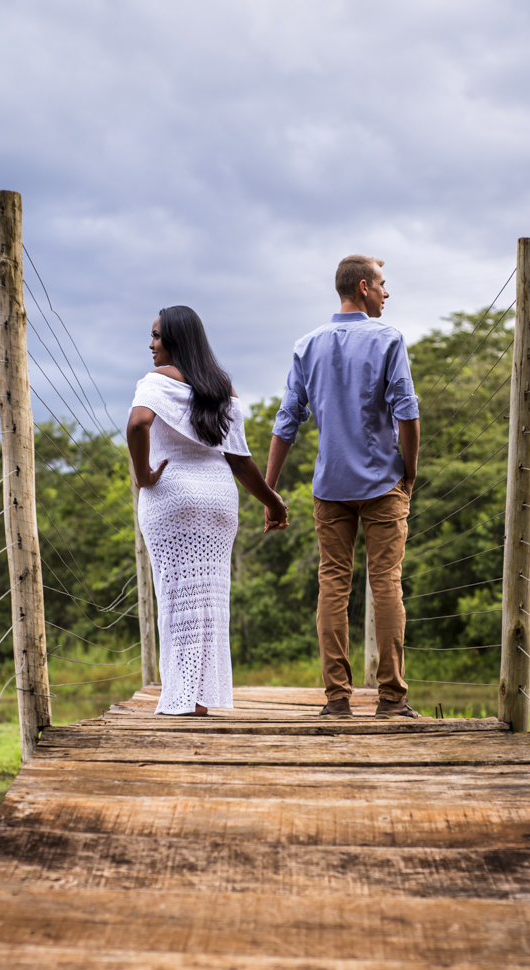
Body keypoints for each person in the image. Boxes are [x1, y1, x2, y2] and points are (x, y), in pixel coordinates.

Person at [265, 255, 420, 719]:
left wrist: (269, 492)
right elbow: (407, 413)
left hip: (330, 485)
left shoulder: (306, 345)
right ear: (363, 287)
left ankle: (337, 698)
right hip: (382, 482)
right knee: (386, 583)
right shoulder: (389, 339)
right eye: (382, 284)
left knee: (332, 583)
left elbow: (286, 422)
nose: (387, 293)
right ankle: (391, 699)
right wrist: (408, 472)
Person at [127, 306, 287, 716]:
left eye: (158, 336)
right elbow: (239, 460)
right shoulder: (223, 388)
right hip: (218, 498)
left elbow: (137, 425)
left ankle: (180, 699)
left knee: (176, 595)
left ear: (177, 340)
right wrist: (272, 501)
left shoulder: (156, 382)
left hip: (172, 495)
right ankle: (200, 698)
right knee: (211, 599)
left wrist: (144, 474)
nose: (151, 344)